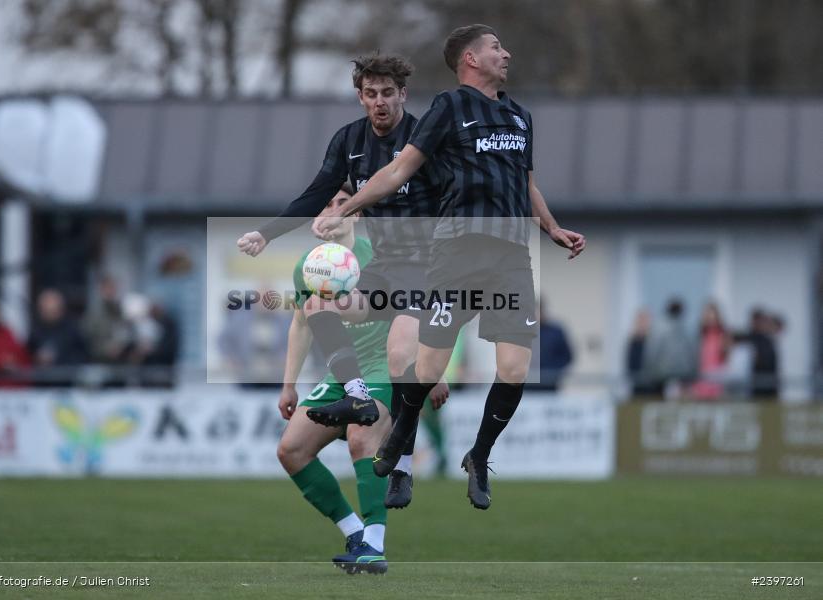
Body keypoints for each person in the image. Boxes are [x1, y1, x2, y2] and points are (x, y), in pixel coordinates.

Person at [317, 25, 585, 509]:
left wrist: (552, 227)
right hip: (457, 250)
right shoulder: (447, 108)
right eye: (496, 47)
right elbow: (399, 170)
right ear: (470, 59)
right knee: (427, 366)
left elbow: (527, 184)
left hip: (510, 255)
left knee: (514, 369)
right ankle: (400, 440)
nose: (506, 53)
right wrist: (348, 205)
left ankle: (479, 457)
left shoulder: (519, 116)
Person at [237, 53, 446, 508]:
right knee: (318, 305)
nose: (379, 102)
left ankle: (403, 467)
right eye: (370, 94)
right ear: (360, 97)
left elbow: (454, 194)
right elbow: (315, 193)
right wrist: (266, 233)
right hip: (386, 268)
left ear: (403, 95)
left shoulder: (423, 138)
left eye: (387, 93)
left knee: (398, 355)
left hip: (426, 268)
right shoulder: (349, 140)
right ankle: (357, 396)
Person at [276, 188, 449, 573]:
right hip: (341, 373)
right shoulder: (309, 265)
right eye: (325, 204)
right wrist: (288, 383)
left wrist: (431, 370)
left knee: (361, 437)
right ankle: (354, 531)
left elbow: (419, 313)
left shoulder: (384, 257)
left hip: (384, 368)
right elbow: (302, 323)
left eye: (342, 202)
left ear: (356, 213)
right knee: (291, 450)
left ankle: (373, 544)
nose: (333, 210)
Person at [27, 289, 88, 387]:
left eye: (52, 310)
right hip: (41, 386)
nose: (49, 314)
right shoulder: (36, 330)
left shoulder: (72, 330)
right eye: (45, 310)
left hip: (66, 385)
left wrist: (57, 361)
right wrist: (37, 359)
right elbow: (27, 354)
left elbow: (81, 356)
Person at [643, 298, 696, 397]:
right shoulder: (688, 329)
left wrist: (650, 371)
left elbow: (652, 352)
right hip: (682, 375)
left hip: (662, 375)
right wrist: (693, 372)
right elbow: (693, 353)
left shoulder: (659, 328)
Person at [526, 301, 573, 392]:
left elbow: (567, 356)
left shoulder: (555, 332)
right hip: (525, 386)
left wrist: (552, 372)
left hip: (548, 385)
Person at [689, 302, 731, 400]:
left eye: (712, 315)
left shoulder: (723, 334)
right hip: (701, 379)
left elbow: (727, 357)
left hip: (718, 380)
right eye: (707, 315)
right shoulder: (699, 335)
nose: (710, 318)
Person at [626, 309, 656, 397]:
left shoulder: (654, 341)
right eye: (641, 320)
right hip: (638, 384)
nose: (643, 323)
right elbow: (630, 363)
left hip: (653, 385)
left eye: (645, 320)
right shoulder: (633, 341)